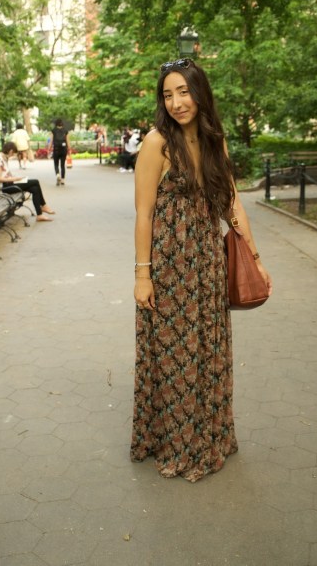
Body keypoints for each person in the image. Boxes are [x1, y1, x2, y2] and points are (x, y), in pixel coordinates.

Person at [131, 58, 272, 482]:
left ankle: (208, 436)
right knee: (175, 355)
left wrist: (256, 259)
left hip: (208, 264)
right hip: (169, 267)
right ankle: (175, 442)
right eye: (168, 95)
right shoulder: (157, 143)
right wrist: (142, 275)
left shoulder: (214, 140)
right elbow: (143, 214)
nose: (176, 103)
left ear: (200, 93)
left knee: (207, 351)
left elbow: (231, 203)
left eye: (184, 92)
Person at [0, 142, 55, 222]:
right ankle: (43, 205)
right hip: (7, 187)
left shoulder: (3, 157)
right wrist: (15, 179)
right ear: (10, 151)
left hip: (10, 183)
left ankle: (39, 215)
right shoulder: (0, 159)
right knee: (35, 181)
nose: (12, 155)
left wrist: (15, 178)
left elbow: (5, 174)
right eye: (13, 153)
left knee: (34, 188)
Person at [48, 119, 71, 186]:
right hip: (63, 149)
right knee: (62, 165)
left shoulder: (53, 131)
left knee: (56, 164)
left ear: (56, 124)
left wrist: (49, 148)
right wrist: (69, 149)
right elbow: (68, 141)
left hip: (56, 149)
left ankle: (58, 174)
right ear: (62, 123)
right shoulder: (66, 131)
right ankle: (63, 180)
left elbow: (51, 141)